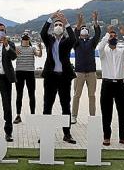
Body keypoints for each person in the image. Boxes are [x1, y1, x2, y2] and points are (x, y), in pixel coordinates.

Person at [40, 11, 77, 144]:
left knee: (65, 106)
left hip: (64, 78)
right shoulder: (49, 39)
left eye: (60, 25)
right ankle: (45, 133)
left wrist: (66, 22)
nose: (58, 26)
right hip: (50, 77)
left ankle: (67, 134)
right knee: (47, 105)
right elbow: (42, 33)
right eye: (56, 24)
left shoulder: (67, 41)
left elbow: (74, 38)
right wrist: (51, 18)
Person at [97, 25, 124, 146]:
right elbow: (100, 46)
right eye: (111, 36)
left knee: (122, 112)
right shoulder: (103, 52)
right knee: (106, 112)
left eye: (114, 36)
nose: (112, 38)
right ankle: (106, 137)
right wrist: (107, 34)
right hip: (107, 84)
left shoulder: (122, 51)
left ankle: (123, 137)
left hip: (119, 84)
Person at [71, 11, 101, 124]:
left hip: (91, 73)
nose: (84, 29)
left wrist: (95, 21)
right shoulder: (76, 43)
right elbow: (74, 34)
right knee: (76, 95)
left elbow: (98, 34)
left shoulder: (92, 42)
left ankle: (92, 116)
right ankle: (74, 116)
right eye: (82, 29)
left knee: (92, 95)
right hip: (79, 72)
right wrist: (79, 24)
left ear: (88, 32)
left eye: (85, 28)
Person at [13, 30, 42, 124]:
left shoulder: (32, 49)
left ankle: (32, 115)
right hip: (19, 72)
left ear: (29, 40)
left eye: (26, 39)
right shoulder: (17, 48)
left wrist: (40, 49)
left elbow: (39, 55)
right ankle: (18, 115)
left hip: (30, 72)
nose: (25, 40)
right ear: (21, 40)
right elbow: (11, 55)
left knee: (31, 94)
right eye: (24, 39)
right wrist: (13, 50)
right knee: (19, 95)